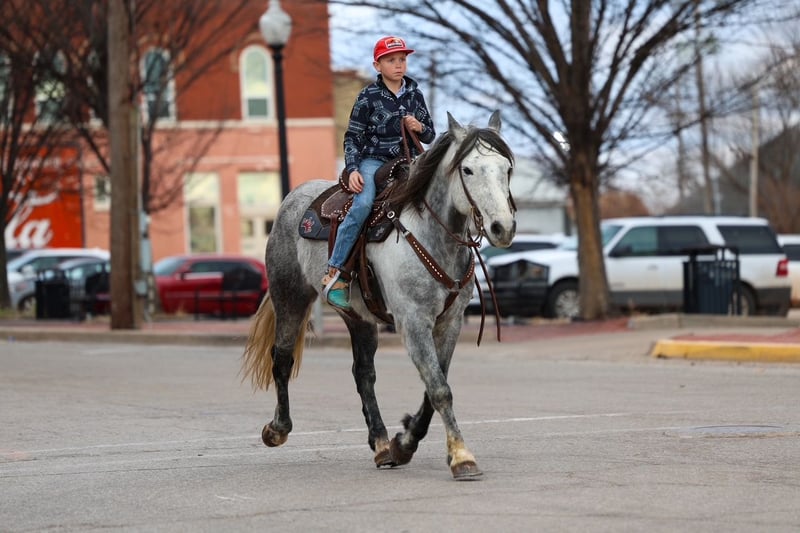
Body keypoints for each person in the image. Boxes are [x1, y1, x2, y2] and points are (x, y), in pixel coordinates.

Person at [322, 36, 436, 310]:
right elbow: (352, 137)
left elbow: (430, 135)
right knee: (362, 205)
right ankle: (336, 272)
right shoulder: (368, 96)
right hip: (374, 161)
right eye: (391, 60)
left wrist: (419, 127)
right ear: (377, 65)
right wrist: (352, 169)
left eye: (402, 59)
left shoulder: (415, 94)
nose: (398, 65)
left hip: (409, 161)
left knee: (437, 197)